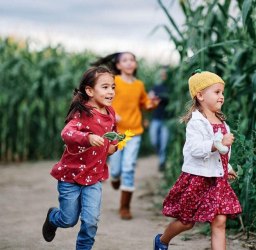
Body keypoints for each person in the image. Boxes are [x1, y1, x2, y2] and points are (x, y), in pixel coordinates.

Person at [153, 69, 242, 250]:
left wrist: (228, 166)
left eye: (222, 92)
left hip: (217, 180)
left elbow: (222, 153)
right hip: (198, 178)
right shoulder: (196, 122)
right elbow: (195, 149)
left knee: (219, 220)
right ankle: (162, 240)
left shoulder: (222, 122)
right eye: (217, 92)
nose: (221, 96)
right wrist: (217, 144)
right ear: (200, 95)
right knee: (187, 222)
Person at [42, 66, 118, 250]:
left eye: (113, 87)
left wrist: (113, 147)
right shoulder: (82, 113)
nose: (111, 92)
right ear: (89, 91)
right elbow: (67, 133)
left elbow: (113, 135)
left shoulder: (111, 113)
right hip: (71, 176)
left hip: (94, 177)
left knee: (90, 221)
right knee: (68, 220)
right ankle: (53, 217)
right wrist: (88, 138)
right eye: (105, 87)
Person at [91, 52, 159, 220]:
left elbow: (144, 104)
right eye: (125, 60)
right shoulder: (114, 82)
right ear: (119, 65)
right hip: (115, 133)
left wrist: (152, 104)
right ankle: (114, 176)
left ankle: (125, 207)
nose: (129, 63)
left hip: (134, 132)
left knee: (128, 168)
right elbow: (102, 100)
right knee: (117, 169)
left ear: (135, 64)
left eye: (132, 60)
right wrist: (112, 114)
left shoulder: (139, 85)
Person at [148, 66, 170, 172]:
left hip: (166, 120)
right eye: (162, 74)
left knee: (164, 142)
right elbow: (149, 99)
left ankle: (162, 162)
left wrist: (159, 97)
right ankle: (159, 154)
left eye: (165, 74)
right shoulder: (156, 87)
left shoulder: (171, 87)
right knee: (154, 140)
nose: (163, 75)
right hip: (156, 118)